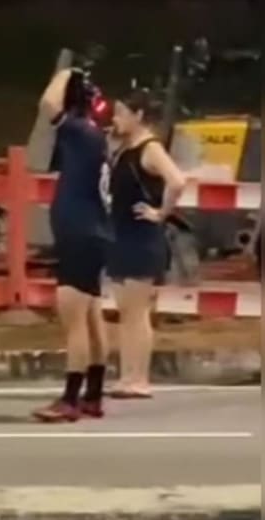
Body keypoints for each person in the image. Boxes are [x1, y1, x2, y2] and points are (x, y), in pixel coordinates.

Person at [32, 69, 112, 423]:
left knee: (75, 320)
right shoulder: (96, 136)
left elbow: (47, 103)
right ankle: (93, 395)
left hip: (79, 233)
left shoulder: (77, 131)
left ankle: (70, 399)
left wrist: (64, 72)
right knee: (93, 316)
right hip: (94, 232)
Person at [107, 89, 186, 399]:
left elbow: (176, 180)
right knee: (127, 311)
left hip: (141, 236)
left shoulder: (150, 149)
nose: (116, 119)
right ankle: (128, 376)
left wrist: (162, 212)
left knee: (137, 312)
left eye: (121, 112)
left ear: (138, 116)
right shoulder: (125, 148)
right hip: (123, 233)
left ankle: (139, 378)